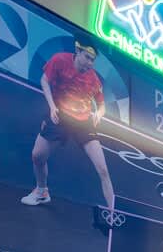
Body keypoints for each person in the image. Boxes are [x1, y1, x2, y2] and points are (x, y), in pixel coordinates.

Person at [21, 41, 115, 216]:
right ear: (77, 50)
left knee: (103, 169)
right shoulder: (59, 60)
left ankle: (113, 214)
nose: (90, 63)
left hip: (83, 122)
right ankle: (41, 191)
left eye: (93, 60)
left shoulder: (94, 80)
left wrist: (99, 114)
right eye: (87, 57)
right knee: (37, 156)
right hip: (60, 115)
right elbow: (44, 80)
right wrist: (52, 106)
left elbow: (101, 105)